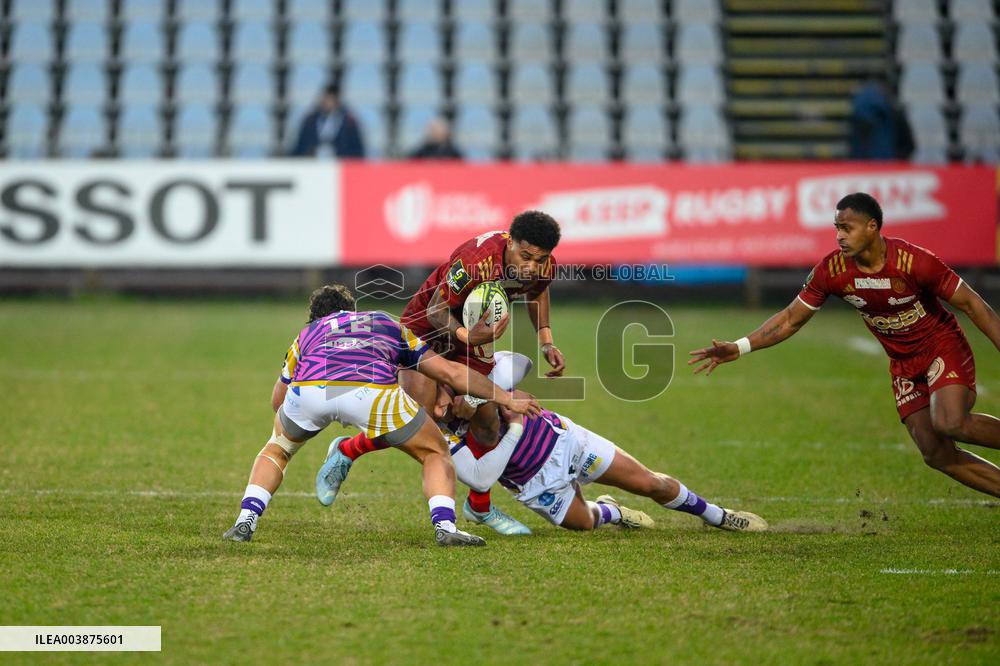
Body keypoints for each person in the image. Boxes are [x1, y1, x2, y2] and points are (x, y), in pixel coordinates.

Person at [689, 192, 1000, 498]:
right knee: (935, 453)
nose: (839, 236)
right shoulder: (832, 270)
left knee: (950, 422)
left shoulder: (915, 262)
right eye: (837, 228)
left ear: (872, 227)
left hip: (941, 348)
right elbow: (791, 318)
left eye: (847, 228)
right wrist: (740, 347)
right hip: (904, 364)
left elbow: (973, 304)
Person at [223, 283, 539, 546]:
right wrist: (505, 398)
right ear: (353, 310)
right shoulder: (384, 322)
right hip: (371, 392)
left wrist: (300, 419)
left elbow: (277, 400)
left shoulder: (306, 335)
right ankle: (445, 527)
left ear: (315, 317)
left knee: (277, 449)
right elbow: (449, 372)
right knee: (435, 451)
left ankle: (246, 519)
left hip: (311, 390)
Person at [316, 211, 566, 535]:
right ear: (511, 243)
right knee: (420, 419)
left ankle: (480, 507)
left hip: (475, 339)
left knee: (486, 421)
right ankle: (346, 450)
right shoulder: (476, 261)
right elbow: (436, 309)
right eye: (525, 256)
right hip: (427, 331)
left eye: (540, 259)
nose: (531, 266)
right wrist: (465, 337)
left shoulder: (542, 266)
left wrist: (546, 340)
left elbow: (538, 290)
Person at [441, 370, 768, 533]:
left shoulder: (472, 372)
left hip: (564, 442)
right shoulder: (437, 431)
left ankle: (718, 516)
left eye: (442, 393)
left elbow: (518, 373)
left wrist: (487, 396)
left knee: (651, 483)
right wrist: (510, 425)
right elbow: (480, 477)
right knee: (585, 523)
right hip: (534, 484)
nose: (440, 405)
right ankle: (612, 511)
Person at [290, 84, 365, 158]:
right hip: (313, 162)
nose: (328, 102)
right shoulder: (310, 120)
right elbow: (301, 145)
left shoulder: (349, 122)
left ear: (337, 100)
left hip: (340, 162)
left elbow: (357, 149)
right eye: (326, 98)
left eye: (331, 99)